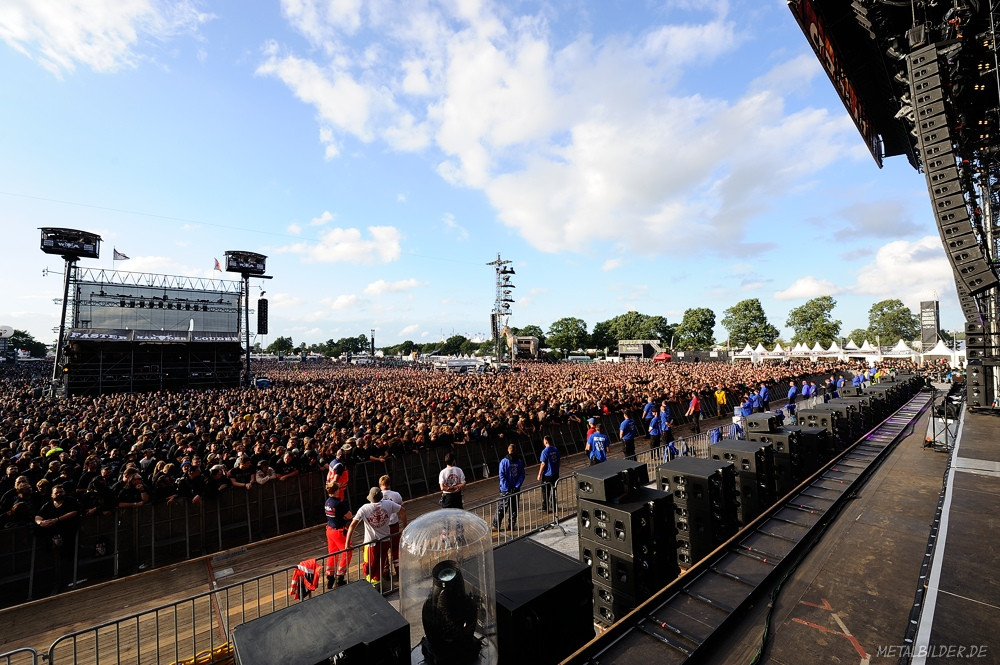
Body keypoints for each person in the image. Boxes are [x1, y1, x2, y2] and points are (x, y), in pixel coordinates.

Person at [344, 487, 406, 586]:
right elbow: (402, 510)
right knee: (380, 564)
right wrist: (404, 527)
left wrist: (347, 543)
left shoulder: (364, 508)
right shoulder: (388, 504)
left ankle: (371, 584)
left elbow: (352, 525)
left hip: (370, 543)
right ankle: (377, 583)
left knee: (369, 565)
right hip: (385, 540)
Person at [323, 481, 353, 589]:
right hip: (339, 531)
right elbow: (349, 516)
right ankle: (340, 576)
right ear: (337, 491)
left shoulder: (327, 502)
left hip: (329, 530)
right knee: (347, 552)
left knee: (332, 553)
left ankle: (330, 576)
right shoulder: (339, 504)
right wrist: (344, 517)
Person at [493, 444, 525, 530]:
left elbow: (501, 475)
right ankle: (511, 525)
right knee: (514, 508)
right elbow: (522, 474)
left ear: (508, 450)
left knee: (502, 507)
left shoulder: (504, 461)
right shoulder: (519, 461)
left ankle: (496, 525)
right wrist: (517, 486)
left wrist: (507, 487)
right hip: (515, 489)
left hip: (505, 489)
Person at [378, 475, 403, 575]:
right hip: (394, 525)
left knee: (383, 550)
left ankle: (385, 572)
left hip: (383, 526)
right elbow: (402, 508)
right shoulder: (396, 495)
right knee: (395, 549)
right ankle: (398, 571)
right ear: (389, 484)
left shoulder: (377, 495)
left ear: (380, 485)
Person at [537, 435, 560, 513]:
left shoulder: (545, 451)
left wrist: (539, 474)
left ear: (546, 441)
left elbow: (543, 463)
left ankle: (545, 506)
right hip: (555, 473)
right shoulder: (555, 449)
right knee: (554, 490)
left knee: (545, 491)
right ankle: (554, 506)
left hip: (547, 475)